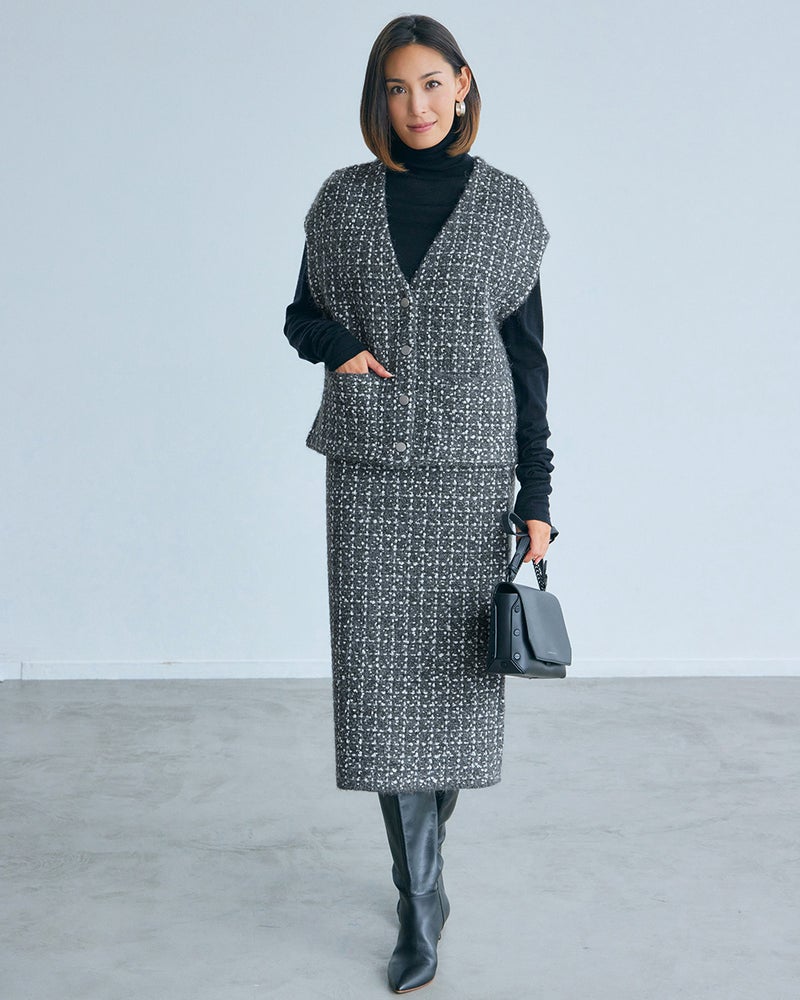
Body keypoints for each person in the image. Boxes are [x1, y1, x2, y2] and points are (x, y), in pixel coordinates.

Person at [283, 14, 556, 994]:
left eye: (431, 83)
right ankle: (419, 904)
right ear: (378, 99)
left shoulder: (507, 209)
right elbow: (300, 316)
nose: (416, 105)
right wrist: (343, 349)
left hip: (470, 477)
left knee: (449, 692)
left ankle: (423, 864)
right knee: (381, 695)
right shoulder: (342, 200)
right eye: (396, 88)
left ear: (462, 84)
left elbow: (527, 363)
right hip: (368, 478)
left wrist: (537, 493)